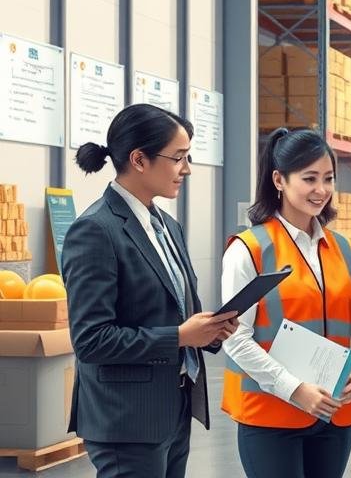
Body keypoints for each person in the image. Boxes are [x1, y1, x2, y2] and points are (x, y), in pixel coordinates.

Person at [63, 104, 239, 478]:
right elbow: (92, 340)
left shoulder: (167, 227)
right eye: (178, 158)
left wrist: (209, 332)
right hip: (126, 420)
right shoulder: (95, 231)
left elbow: (176, 310)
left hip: (174, 407)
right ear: (139, 160)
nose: (187, 169)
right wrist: (178, 336)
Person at [220, 128, 351, 477]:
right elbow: (234, 337)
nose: (321, 190)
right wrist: (295, 390)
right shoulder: (249, 249)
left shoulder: (345, 250)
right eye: (309, 178)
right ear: (279, 179)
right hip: (271, 415)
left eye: (328, 179)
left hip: (334, 415)